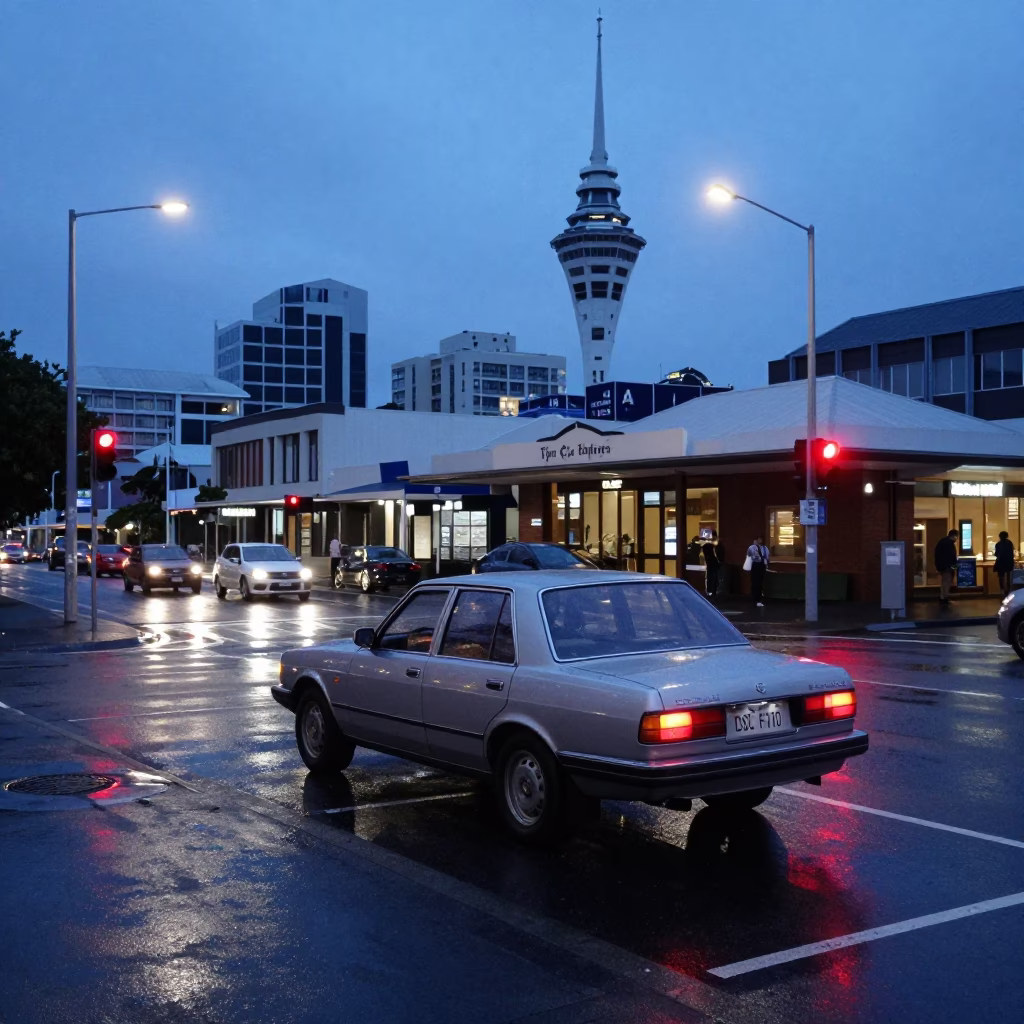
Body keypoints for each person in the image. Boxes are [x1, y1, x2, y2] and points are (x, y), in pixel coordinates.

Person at [934, 529, 958, 605]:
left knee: (945, 582)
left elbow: (937, 555)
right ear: (954, 536)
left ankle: (943, 596)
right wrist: (954, 567)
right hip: (947, 567)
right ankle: (944, 598)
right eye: (957, 536)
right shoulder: (949, 544)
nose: (957, 538)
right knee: (946, 582)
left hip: (943, 566)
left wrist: (938, 566)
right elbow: (951, 557)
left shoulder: (943, 542)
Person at [746, 536, 770, 607]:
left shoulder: (763, 548)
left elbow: (749, 554)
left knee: (758, 582)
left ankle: (756, 598)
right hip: (757, 565)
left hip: (759, 565)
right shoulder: (755, 547)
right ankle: (756, 598)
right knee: (756, 582)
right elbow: (749, 554)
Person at [994, 530, 1015, 598]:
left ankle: (1002, 590)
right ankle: (1008, 590)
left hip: (1000, 563)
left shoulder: (998, 544)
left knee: (1001, 577)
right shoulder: (1009, 543)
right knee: (1009, 576)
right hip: (1009, 562)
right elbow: (1012, 553)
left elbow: (997, 554)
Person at [702, 531, 720, 599]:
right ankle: (713, 591)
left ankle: (709, 590)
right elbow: (716, 555)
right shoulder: (713, 545)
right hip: (714, 563)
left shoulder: (706, 546)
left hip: (709, 563)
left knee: (710, 577)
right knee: (714, 577)